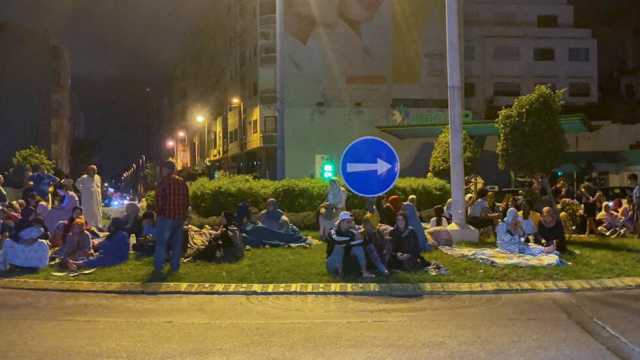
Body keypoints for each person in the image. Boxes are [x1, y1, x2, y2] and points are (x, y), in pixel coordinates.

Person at [153, 160, 189, 274]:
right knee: (177, 244)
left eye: (162, 169)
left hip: (166, 217)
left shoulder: (162, 182)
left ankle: (159, 267)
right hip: (179, 218)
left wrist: (158, 215)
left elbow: (159, 202)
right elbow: (186, 201)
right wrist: (183, 215)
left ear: (165, 169)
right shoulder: (182, 182)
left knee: (161, 244)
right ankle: (175, 267)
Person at [65, 218, 130, 271]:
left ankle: (75, 264)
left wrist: (101, 245)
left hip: (117, 257)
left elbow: (112, 248)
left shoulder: (121, 235)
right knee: (93, 257)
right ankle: (73, 264)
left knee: (97, 260)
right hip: (108, 254)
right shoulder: (114, 234)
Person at [326, 211, 375, 279]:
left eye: (351, 221)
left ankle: (364, 272)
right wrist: (353, 238)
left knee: (358, 248)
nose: (350, 224)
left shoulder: (352, 230)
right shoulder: (333, 231)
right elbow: (337, 240)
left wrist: (360, 233)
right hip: (333, 263)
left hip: (346, 261)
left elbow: (361, 240)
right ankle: (339, 274)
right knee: (339, 247)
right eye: (348, 222)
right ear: (341, 222)